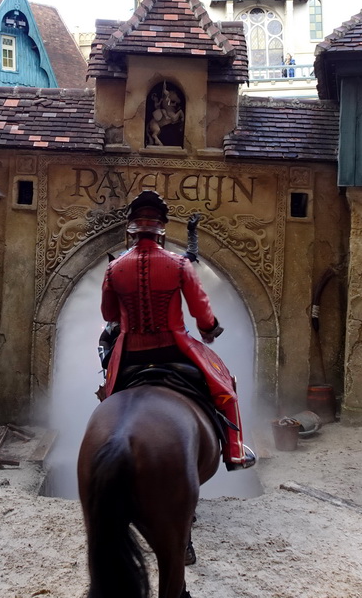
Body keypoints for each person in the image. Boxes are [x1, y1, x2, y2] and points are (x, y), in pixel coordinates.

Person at [100, 190, 256, 470]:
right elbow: (201, 310)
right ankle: (235, 452)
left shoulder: (114, 268)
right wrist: (209, 330)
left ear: (132, 230)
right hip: (174, 347)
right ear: (161, 230)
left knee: (107, 397)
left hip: (129, 354)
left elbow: (108, 314)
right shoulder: (179, 264)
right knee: (226, 389)